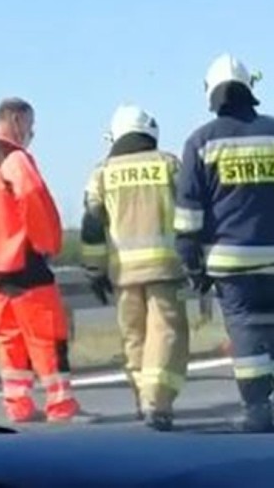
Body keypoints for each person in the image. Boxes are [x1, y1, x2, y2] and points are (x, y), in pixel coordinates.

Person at [174, 54, 274, 432]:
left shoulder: (200, 141)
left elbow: (188, 214)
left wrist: (193, 265)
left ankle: (258, 412)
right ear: (248, 89)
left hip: (229, 261)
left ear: (212, 93)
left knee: (246, 333)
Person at [0, 97, 91, 424]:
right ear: (16, 120)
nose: (31, 133)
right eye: (30, 125)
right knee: (47, 334)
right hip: (23, 259)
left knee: (9, 338)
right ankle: (60, 405)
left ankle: (17, 404)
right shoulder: (14, 158)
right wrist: (47, 242)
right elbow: (33, 198)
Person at [80, 104, 190, 431]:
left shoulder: (101, 172)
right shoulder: (169, 165)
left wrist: (93, 270)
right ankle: (156, 403)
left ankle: (141, 398)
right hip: (165, 270)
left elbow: (91, 226)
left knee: (134, 338)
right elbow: (191, 210)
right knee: (166, 334)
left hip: (124, 274)